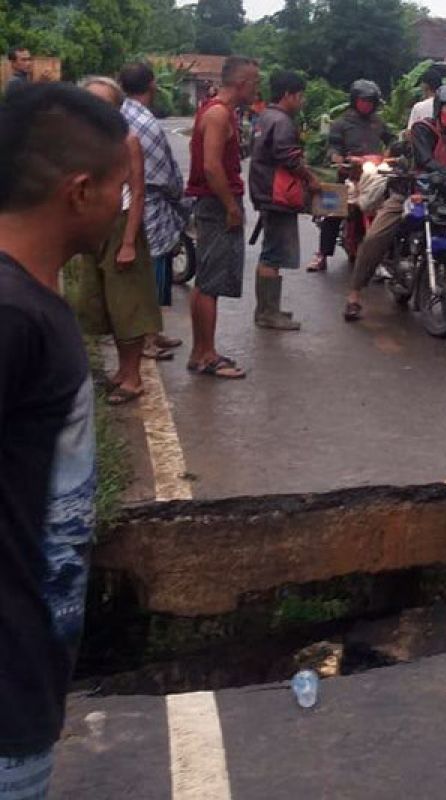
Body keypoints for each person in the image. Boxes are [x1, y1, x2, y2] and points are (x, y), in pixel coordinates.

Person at [0, 82, 129, 800]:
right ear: (80, 192)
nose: (123, 204)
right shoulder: (12, 315)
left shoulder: (30, 305)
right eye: (118, 186)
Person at [344, 83, 446, 322]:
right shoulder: (422, 129)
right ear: (439, 108)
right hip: (409, 192)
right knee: (374, 238)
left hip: (439, 198)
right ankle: (354, 296)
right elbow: (425, 160)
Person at [63, 76, 164, 406]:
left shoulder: (127, 141)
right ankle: (122, 371)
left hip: (121, 226)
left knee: (128, 305)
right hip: (93, 227)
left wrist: (129, 242)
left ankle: (133, 377)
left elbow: (137, 192)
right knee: (103, 303)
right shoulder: (79, 142)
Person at [185, 55, 260, 380]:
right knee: (210, 282)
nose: (256, 89)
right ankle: (206, 356)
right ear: (241, 84)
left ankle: (200, 351)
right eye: (255, 83)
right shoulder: (217, 114)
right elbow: (212, 167)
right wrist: (231, 207)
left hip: (215, 203)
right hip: (217, 205)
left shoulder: (219, 110)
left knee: (205, 281)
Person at [117, 61, 187, 356]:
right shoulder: (146, 123)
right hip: (147, 203)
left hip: (132, 201)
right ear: (153, 84)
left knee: (152, 271)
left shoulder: (122, 115)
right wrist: (178, 197)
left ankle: (153, 332)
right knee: (150, 273)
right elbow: (163, 174)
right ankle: (145, 338)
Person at [249, 70, 320, 330]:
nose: (301, 101)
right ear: (288, 95)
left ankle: (267, 309)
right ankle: (268, 314)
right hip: (277, 195)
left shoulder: (264, 117)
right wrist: (310, 177)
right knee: (273, 253)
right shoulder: (282, 121)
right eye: (299, 96)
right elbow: (287, 156)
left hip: (264, 191)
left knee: (270, 250)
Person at [307, 79, 393, 273]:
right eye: (363, 100)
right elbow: (333, 146)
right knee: (332, 208)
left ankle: (380, 257)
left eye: (371, 101)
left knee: (385, 212)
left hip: (372, 175)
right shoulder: (341, 123)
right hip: (348, 173)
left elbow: (392, 141)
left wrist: (397, 149)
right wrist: (337, 157)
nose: (367, 104)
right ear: (355, 100)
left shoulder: (378, 123)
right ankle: (321, 254)